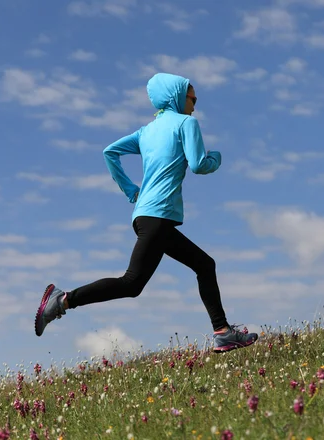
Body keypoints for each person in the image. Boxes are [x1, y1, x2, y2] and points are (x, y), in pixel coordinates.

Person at [34, 72, 258, 353]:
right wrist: (217, 157)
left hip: (145, 216)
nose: (195, 104)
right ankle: (63, 299)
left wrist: (131, 190)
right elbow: (199, 164)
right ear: (178, 96)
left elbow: (109, 152)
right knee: (132, 282)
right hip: (159, 217)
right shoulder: (187, 123)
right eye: (193, 97)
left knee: (202, 265)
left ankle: (223, 332)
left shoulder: (146, 131)